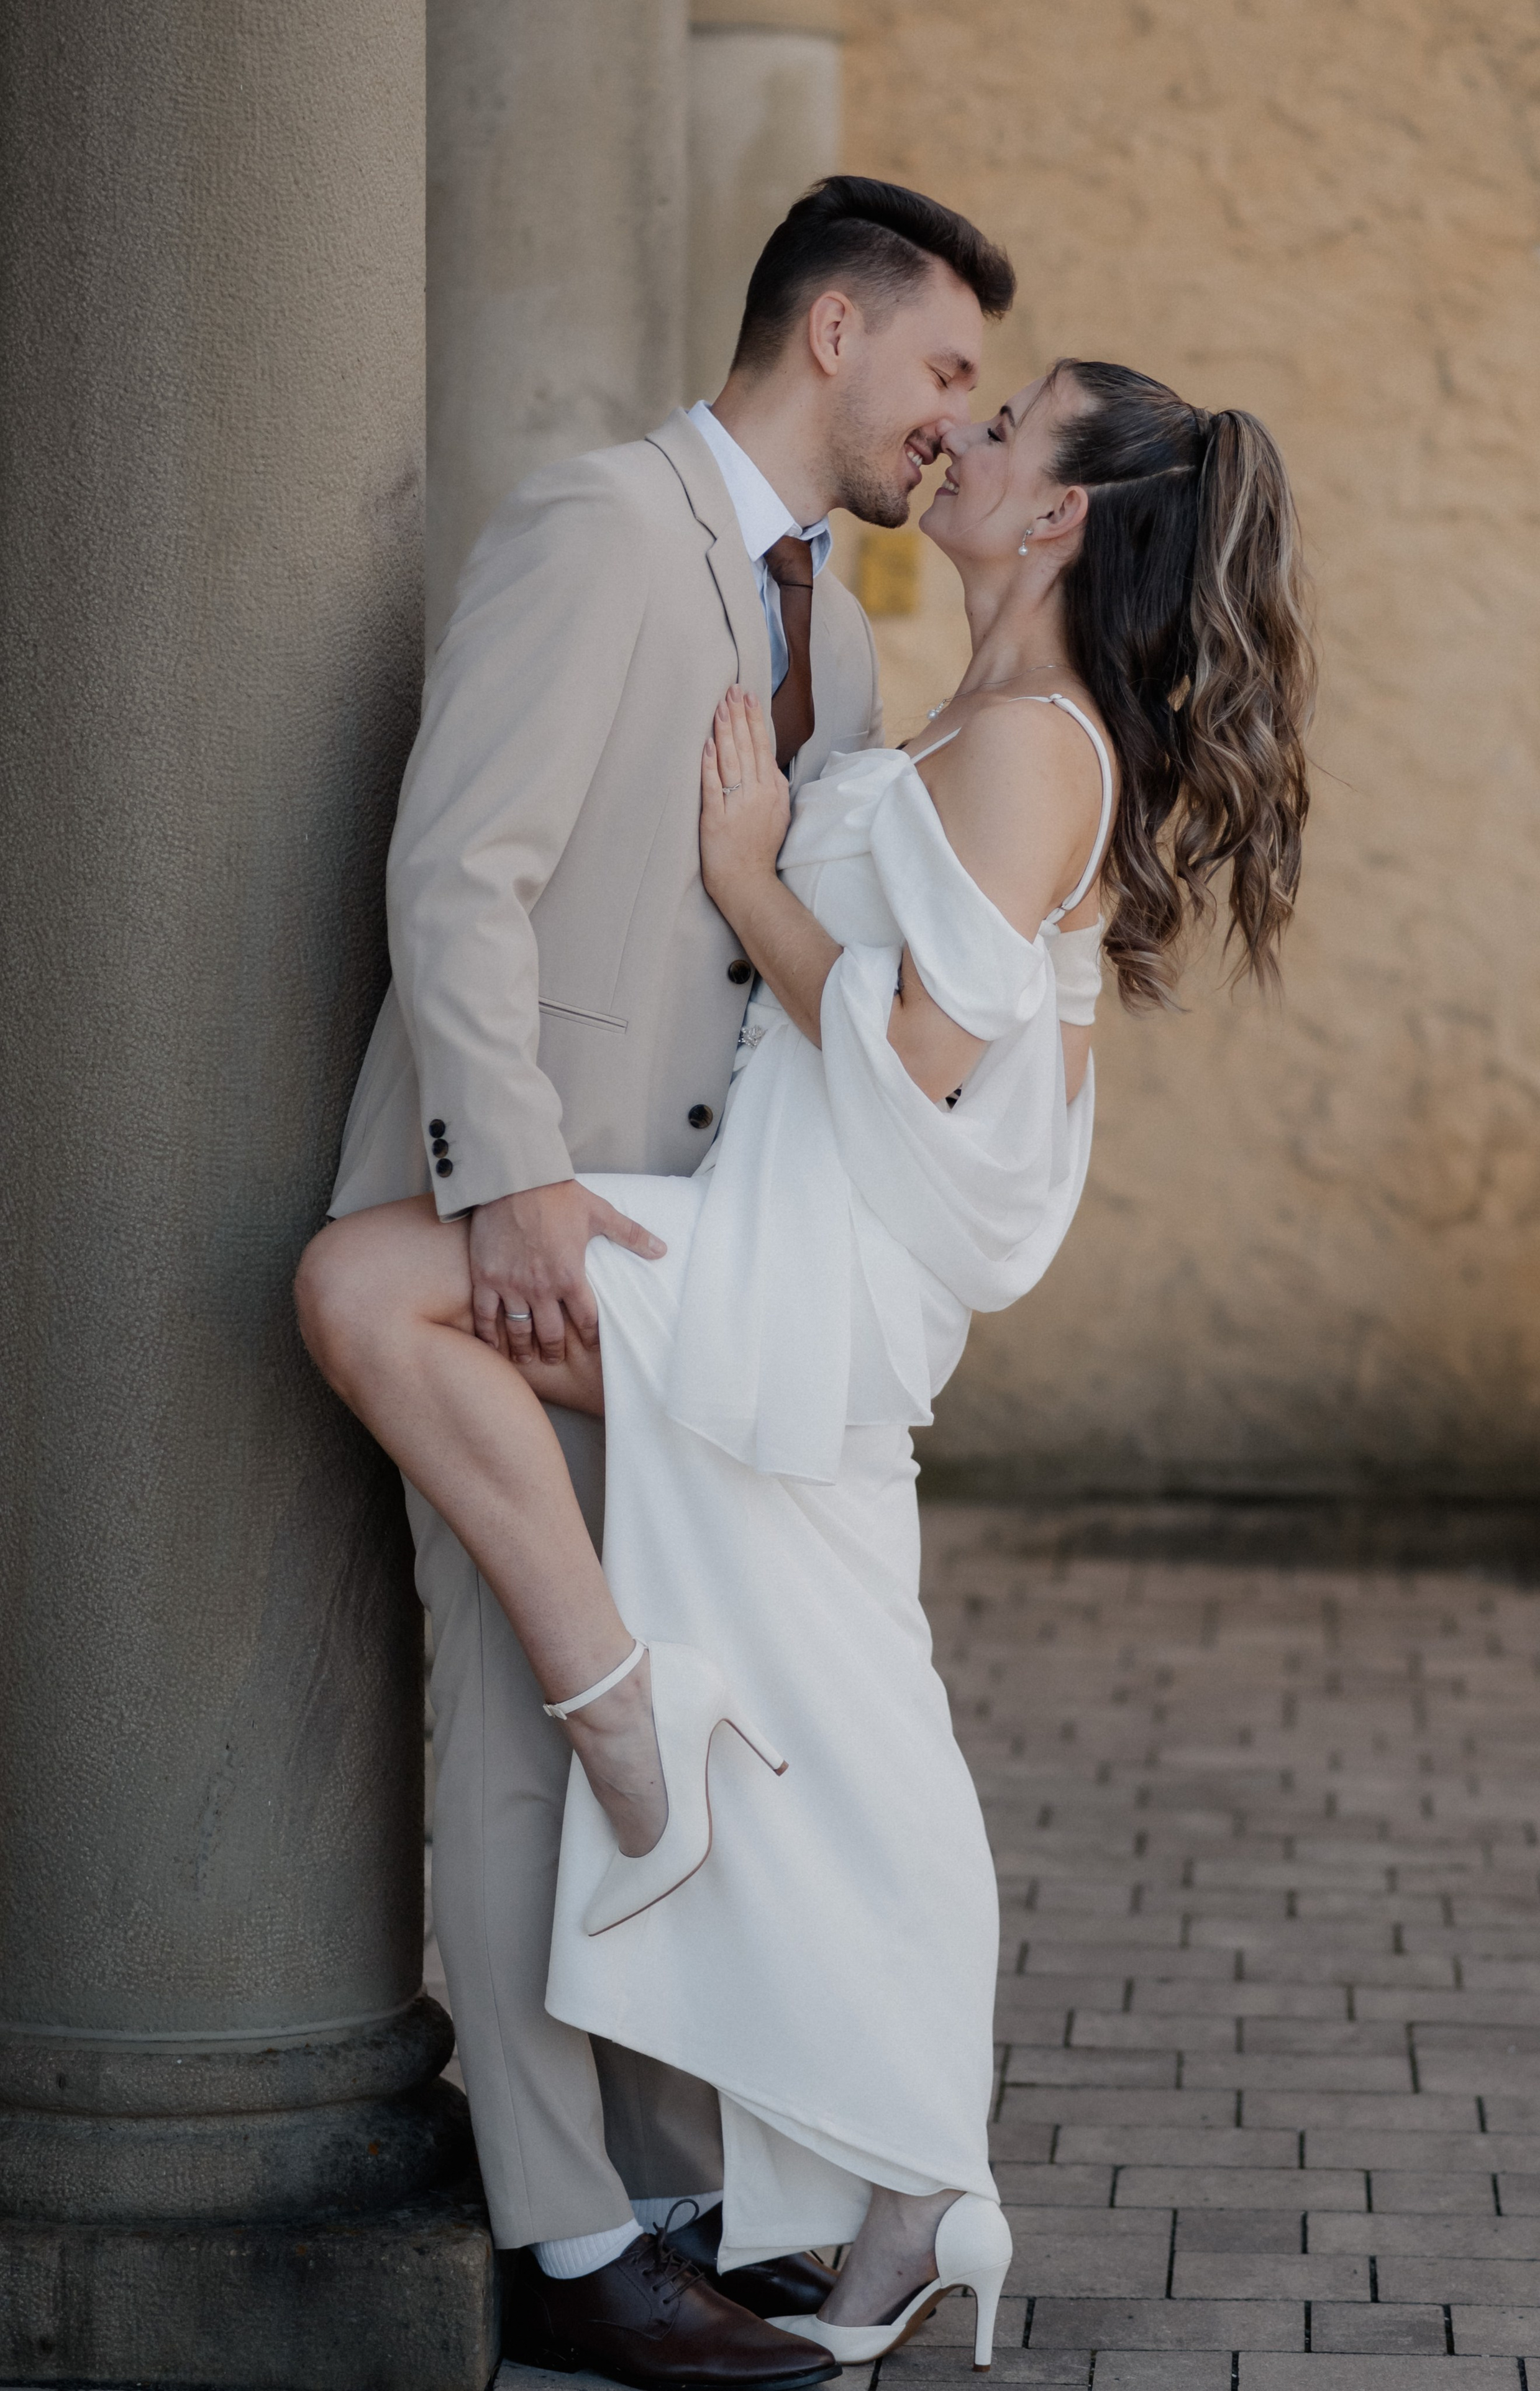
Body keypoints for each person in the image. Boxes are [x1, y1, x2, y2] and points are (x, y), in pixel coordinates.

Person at [299, 344, 1314, 2372]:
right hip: (779, 1233)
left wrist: (753, 870)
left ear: (1061, 517)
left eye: (1008, 422)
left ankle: (616, 1714)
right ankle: (919, 2191)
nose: (970, 433)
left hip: (803, 1262)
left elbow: (929, 1061)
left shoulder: (1040, 742)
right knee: (858, 1732)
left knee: (362, 1288)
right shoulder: (973, 706)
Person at [298, 178, 1018, 2387]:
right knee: (529, 1726)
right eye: (946, 372)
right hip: (516, 1247)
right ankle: (569, 2237)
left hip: (695, 1277)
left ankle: (680, 2180)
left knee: (661, 1712)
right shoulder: (606, 529)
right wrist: (502, 1179)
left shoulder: (851, 631)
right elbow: (461, 865)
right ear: (830, 329)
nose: (954, 422)